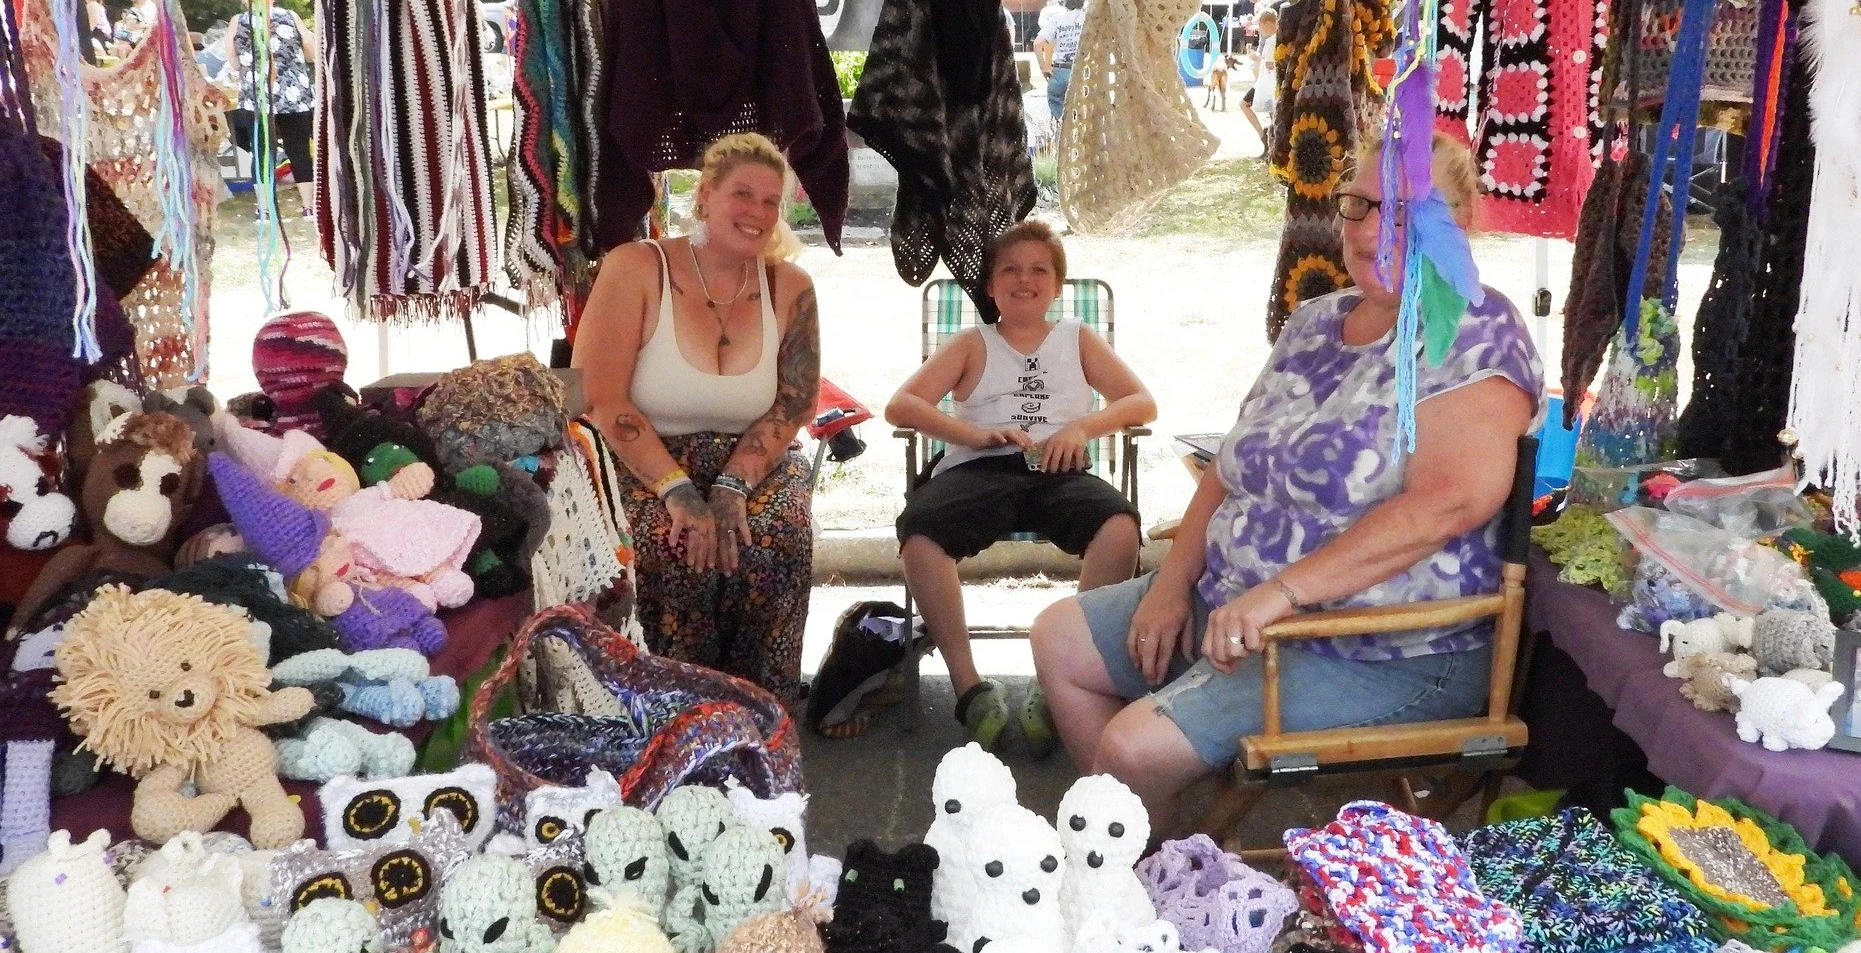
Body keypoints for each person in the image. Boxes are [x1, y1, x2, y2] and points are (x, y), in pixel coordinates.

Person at [1030, 133, 1541, 819]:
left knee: (1132, 751)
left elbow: (1449, 503)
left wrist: (1280, 594)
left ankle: (1128, 864)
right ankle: (1151, 857)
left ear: (1461, 225)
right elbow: (1229, 468)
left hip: (1384, 645)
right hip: (1242, 605)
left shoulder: (1475, 329)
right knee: (1059, 638)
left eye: (1406, 214)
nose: (1370, 230)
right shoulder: (1315, 321)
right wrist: (1174, 583)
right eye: (1359, 205)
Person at [886, 220, 1156, 755]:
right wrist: (975, 435)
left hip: (1060, 470)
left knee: (1120, 527)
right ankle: (971, 691)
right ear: (989, 285)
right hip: (978, 469)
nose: (1024, 279)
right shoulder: (972, 342)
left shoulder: (1076, 337)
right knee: (921, 534)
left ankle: (1065, 676)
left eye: (1039, 270)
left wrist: (1080, 428)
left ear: (1057, 285)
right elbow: (903, 405)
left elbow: (1140, 402)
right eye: (1009, 269)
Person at [574, 132, 821, 710]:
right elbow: (602, 397)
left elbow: (795, 403)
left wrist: (735, 483)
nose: (757, 213)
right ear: (705, 195)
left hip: (752, 459)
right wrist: (678, 491)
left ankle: (759, 719)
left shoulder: (790, 287)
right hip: (644, 457)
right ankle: (670, 722)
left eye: (770, 201)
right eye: (743, 194)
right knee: (666, 544)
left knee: (774, 535)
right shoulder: (637, 266)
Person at [222, 0, 319, 217]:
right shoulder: (291, 16)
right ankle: (308, 208)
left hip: (257, 97)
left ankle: (265, 210)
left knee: (262, 152)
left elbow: (233, 62)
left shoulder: (237, 22)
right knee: (299, 151)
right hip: (294, 95)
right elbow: (311, 51)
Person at [1035, 0, 1086, 124]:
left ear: (1065, 2)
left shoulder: (1057, 20)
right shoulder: (1089, 19)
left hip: (1060, 71)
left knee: (1060, 119)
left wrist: (1044, 68)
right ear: (1083, 2)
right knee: (1083, 114)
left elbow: (1037, 44)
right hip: (1083, 72)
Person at [1238, 6, 1281, 145]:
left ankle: (1265, 137)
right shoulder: (1276, 38)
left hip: (1270, 82)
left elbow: (1270, 64)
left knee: (1245, 104)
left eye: (1260, 25)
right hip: (1268, 81)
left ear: (1267, 23)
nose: (1259, 30)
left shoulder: (1273, 40)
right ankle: (1266, 137)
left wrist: (1258, 60)